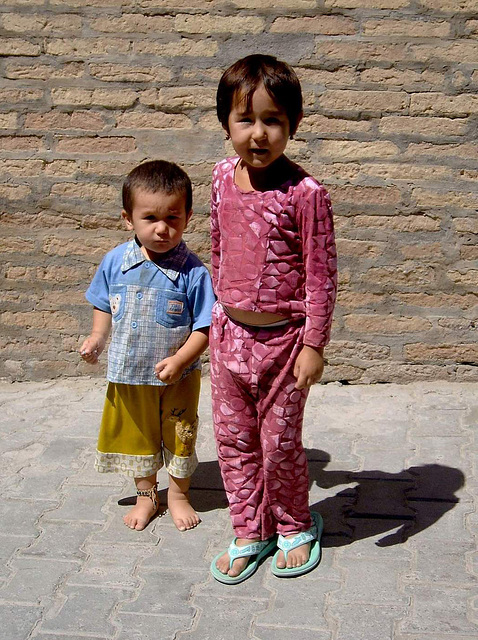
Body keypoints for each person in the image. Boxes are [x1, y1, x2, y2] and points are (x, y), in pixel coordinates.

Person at [209, 54, 337, 583]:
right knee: (234, 441)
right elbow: (216, 245)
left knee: (279, 444)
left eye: (273, 121)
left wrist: (313, 344)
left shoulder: (306, 195)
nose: (258, 134)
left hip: (285, 345)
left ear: (293, 126)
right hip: (228, 339)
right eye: (246, 120)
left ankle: (293, 525)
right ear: (226, 124)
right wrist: (214, 317)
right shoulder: (219, 178)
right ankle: (250, 529)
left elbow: (321, 275)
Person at [79, 160, 215, 532]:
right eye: (149, 218)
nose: (161, 228)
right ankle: (146, 494)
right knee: (138, 436)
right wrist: (97, 338)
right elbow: (103, 304)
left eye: (172, 218)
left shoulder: (193, 272)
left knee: (179, 433)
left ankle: (178, 495)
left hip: (178, 377)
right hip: (129, 373)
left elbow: (206, 326)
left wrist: (181, 358)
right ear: (128, 219)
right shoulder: (115, 263)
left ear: (188, 216)